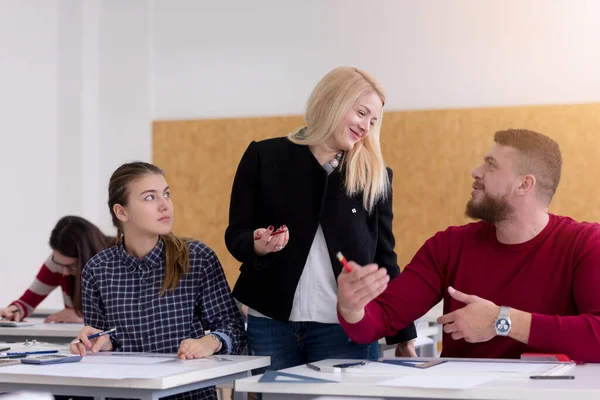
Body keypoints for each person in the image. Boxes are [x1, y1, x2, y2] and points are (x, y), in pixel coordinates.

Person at [337, 129, 600, 362]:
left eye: (491, 165)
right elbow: (379, 320)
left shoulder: (586, 244)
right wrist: (351, 307)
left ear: (524, 184)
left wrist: (502, 320)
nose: (476, 172)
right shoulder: (449, 246)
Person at [225, 66, 417, 374]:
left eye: (373, 120)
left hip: (345, 328)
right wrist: (257, 244)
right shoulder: (264, 156)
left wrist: (402, 335)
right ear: (333, 102)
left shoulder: (375, 176)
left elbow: (384, 258)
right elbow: (236, 235)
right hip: (272, 325)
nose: (366, 127)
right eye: (361, 113)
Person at [70, 161, 246, 400]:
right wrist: (97, 343)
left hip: (189, 395)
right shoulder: (97, 270)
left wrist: (210, 342)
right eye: (150, 198)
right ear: (122, 212)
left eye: (166, 194)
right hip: (127, 395)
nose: (165, 205)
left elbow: (234, 328)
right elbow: (105, 338)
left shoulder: (197, 258)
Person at [1, 216, 113, 323]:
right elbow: (27, 302)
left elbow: (128, 317)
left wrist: (84, 317)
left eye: (72, 266)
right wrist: (15, 310)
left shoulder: (119, 260)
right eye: (59, 264)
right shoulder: (58, 262)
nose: (64, 272)